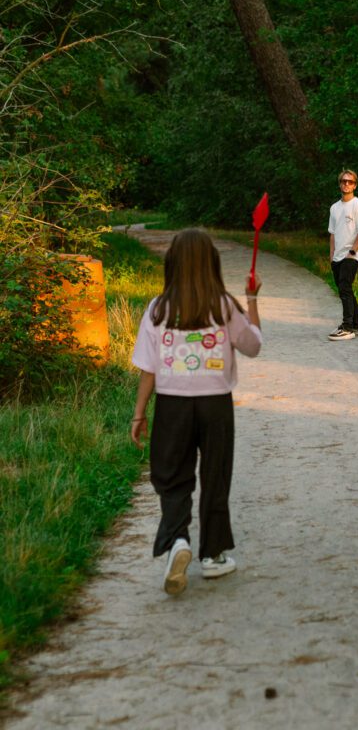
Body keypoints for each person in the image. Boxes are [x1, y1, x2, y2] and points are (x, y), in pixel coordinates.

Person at [130, 228, 262, 596]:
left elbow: (148, 368)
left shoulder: (158, 309)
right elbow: (253, 346)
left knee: (171, 475)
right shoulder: (224, 305)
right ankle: (213, 555)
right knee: (216, 476)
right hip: (215, 405)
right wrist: (251, 299)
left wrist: (139, 414)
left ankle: (177, 542)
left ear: (171, 263)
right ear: (211, 264)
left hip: (172, 405)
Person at [328, 168, 358, 341]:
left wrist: (352, 252)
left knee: (344, 287)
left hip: (352, 255)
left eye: (350, 182)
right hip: (337, 256)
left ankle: (347, 327)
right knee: (345, 289)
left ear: (355, 185)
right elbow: (332, 233)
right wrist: (331, 256)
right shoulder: (335, 208)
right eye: (343, 181)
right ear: (340, 184)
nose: (346, 184)